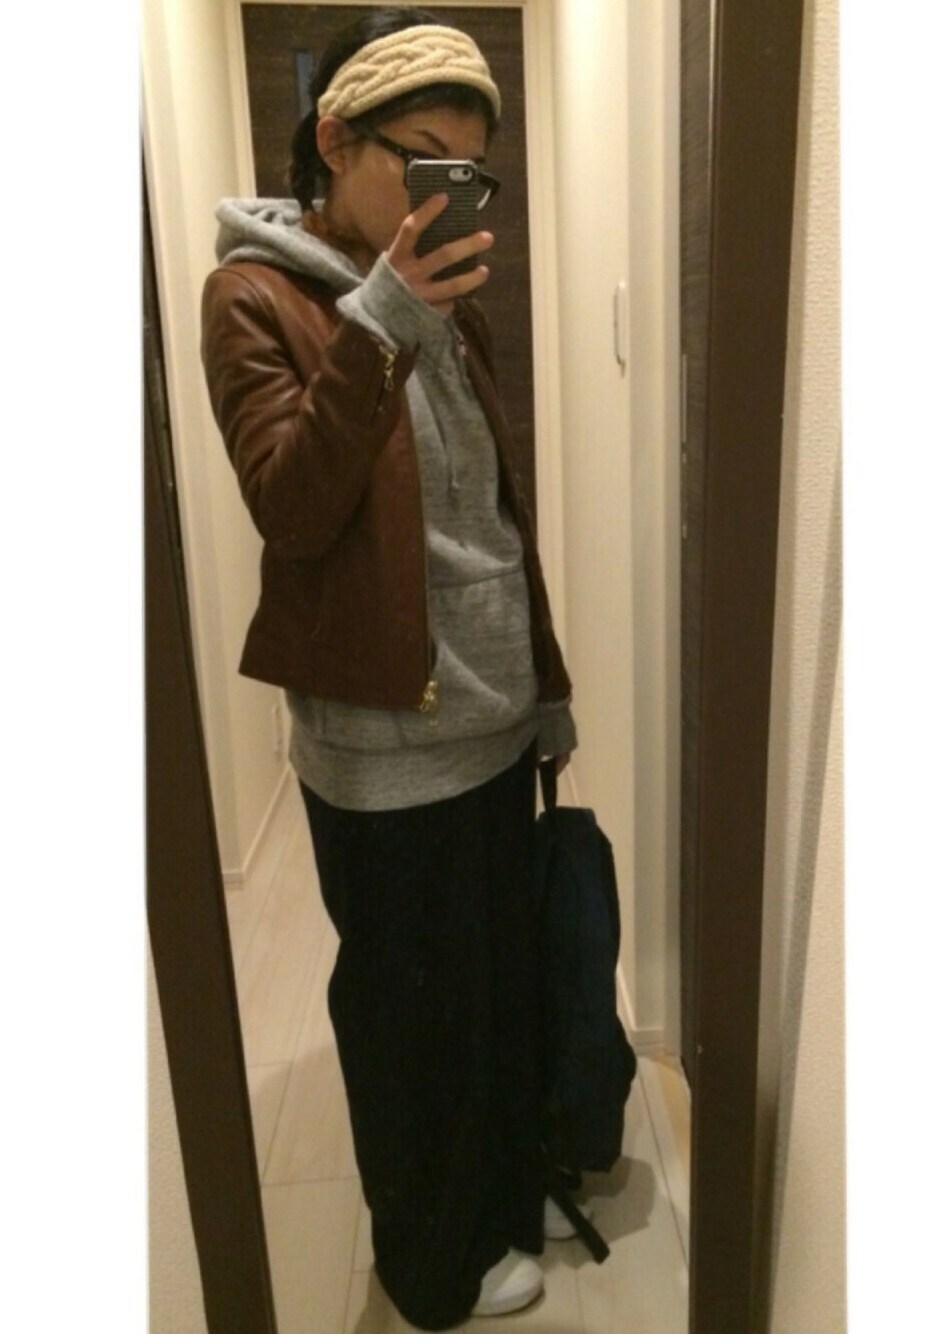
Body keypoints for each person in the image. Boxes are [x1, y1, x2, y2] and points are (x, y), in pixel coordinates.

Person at [201, 8, 579, 1328]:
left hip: (490, 720)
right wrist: (385, 314)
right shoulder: (254, 297)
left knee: (492, 988)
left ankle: (499, 1193)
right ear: (333, 139)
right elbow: (294, 508)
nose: (443, 195)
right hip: (381, 744)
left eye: (467, 172)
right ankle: (427, 1263)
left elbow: (488, 514)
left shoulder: (444, 302)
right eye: (420, 160)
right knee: (407, 1014)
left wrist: (545, 682)